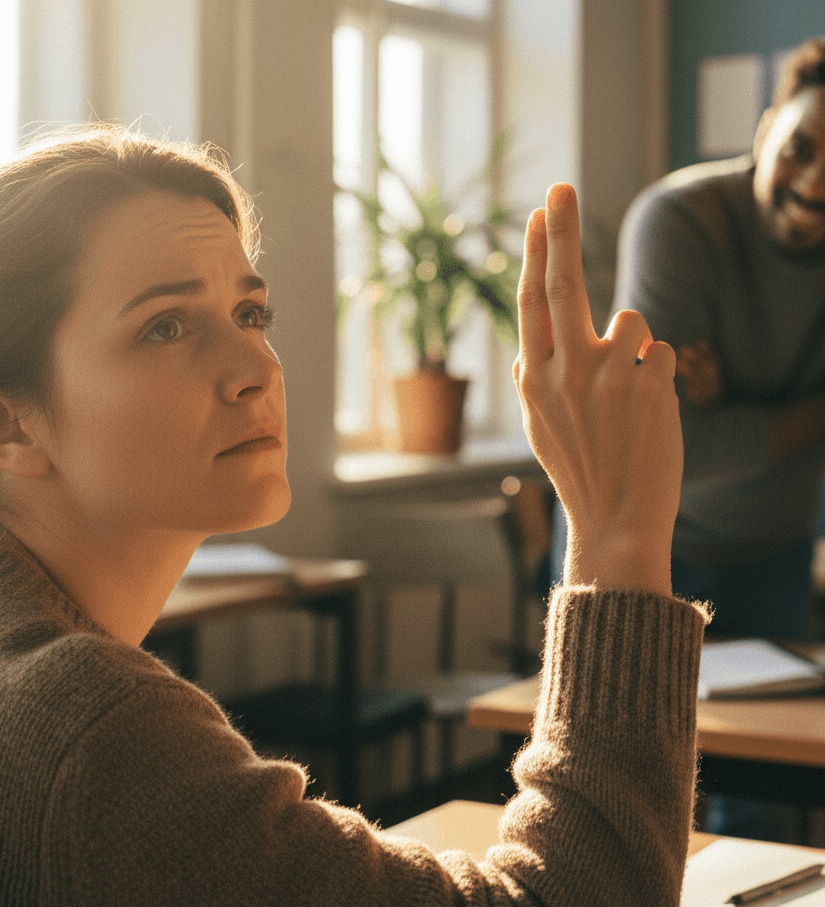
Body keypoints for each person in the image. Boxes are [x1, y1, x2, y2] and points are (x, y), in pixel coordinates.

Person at [0, 125, 707, 906]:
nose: (257, 369)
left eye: (249, 314)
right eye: (165, 327)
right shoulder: (94, 729)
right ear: (11, 424)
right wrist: (618, 531)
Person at [611, 34, 825, 701]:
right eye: (799, 148)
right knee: (631, 777)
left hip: (777, 552)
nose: (815, 184)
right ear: (765, 132)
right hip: (636, 545)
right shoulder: (677, 220)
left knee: (761, 793)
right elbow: (664, 448)